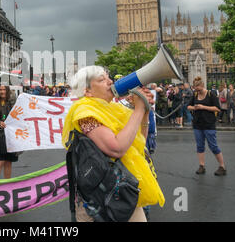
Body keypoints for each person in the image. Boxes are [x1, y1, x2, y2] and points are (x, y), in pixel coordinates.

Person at [62, 66, 165, 222]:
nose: (110, 82)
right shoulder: (85, 112)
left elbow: (138, 142)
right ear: (87, 91)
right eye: (102, 80)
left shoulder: (114, 108)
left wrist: (144, 112)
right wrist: (138, 109)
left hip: (122, 190)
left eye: (108, 77)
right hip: (100, 198)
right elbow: (116, 148)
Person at [187, 77, 226, 176]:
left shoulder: (211, 94)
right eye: (195, 87)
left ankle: (222, 166)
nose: (196, 89)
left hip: (209, 124)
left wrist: (203, 107)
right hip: (197, 124)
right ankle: (201, 166)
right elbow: (188, 106)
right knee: (200, 146)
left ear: (202, 85)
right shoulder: (195, 94)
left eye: (198, 87)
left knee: (213, 146)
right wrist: (194, 107)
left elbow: (217, 109)